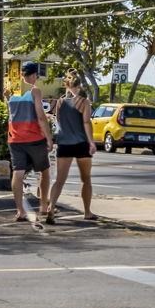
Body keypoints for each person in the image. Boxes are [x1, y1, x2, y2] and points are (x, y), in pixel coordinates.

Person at [7, 63, 56, 224]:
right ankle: (43, 205)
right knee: (44, 170)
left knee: (18, 172)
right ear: (34, 75)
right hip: (34, 138)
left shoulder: (10, 93)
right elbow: (41, 116)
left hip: (15, 138)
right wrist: (49, 137)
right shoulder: (35, 91)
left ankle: (20, 210)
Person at [45, 69, 97, 222]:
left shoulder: (60, 102)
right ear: (79, 86)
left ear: (66, 86)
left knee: (59, 180)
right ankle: (87, 212)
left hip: (64, 143)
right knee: (86, 179)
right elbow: (86, 122)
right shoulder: (84, 102)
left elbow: (59, 122)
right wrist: (92, 142)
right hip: (81, 143)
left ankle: (51, 207)